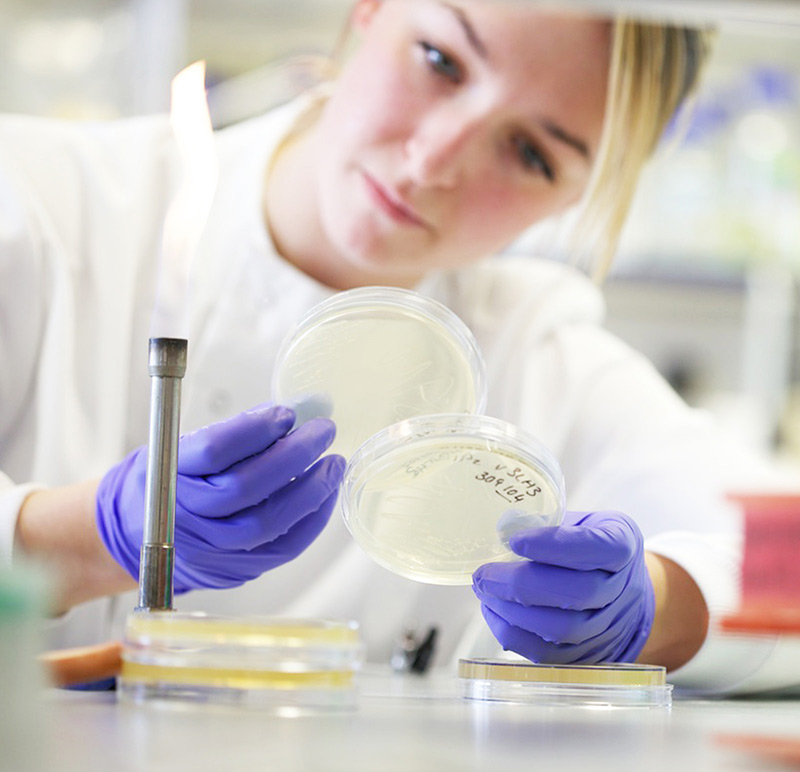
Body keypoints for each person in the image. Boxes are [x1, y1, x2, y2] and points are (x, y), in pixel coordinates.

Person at [0, 0, 788, 694]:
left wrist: (657, 607)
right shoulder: (34, 198)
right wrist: (82, 536)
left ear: (576, 196)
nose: (434, 161)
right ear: (371, 8)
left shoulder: (538, 354)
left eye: (531, 154)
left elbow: (784, 561)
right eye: (441, 60)